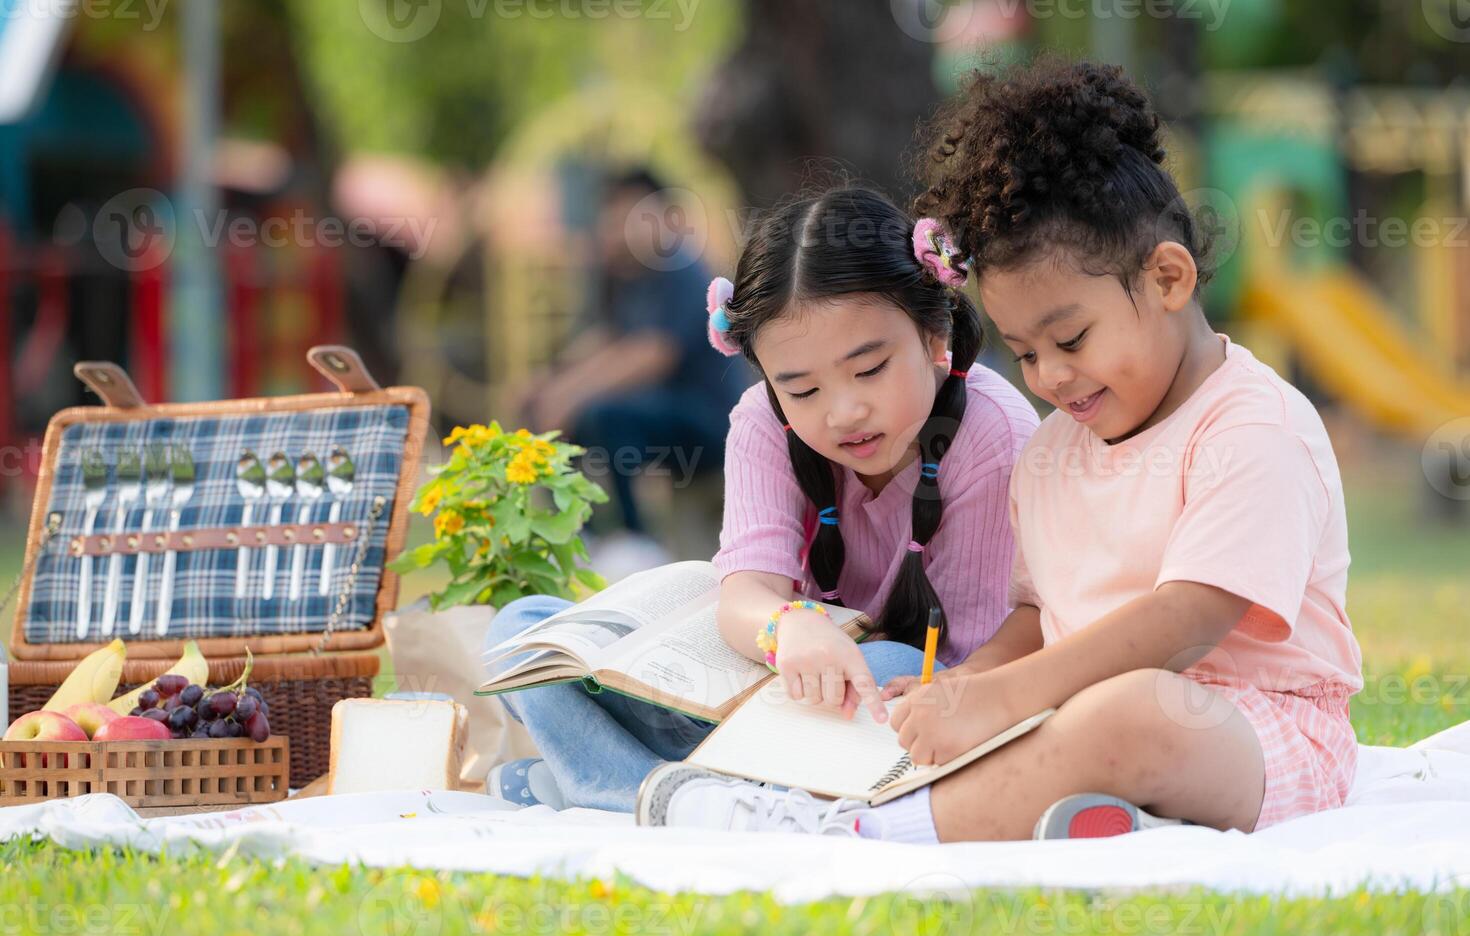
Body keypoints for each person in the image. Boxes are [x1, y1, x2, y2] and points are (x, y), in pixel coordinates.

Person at [636, 60, 1364, 842]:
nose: (1050, 376)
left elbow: (1186, 620)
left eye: (1071, 338)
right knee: (1004, 717)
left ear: (1167, 278)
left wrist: (1006, 696)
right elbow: (1034, 614)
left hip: (1254, 731)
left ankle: (848, 834)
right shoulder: (1054, 451)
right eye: (1024, 353)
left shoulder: (1253, 427)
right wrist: (967, 690)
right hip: (1072, 709)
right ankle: (1100, 820)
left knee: (1139, 711)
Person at [483, 185, 1039, 812]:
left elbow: (976, 658)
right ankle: (681, 793)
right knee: (522, 634)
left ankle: (622, 784)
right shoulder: (760, 422)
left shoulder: (991, 434)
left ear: (935, 332)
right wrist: (787, 627)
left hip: (884, 706)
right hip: (762, 689)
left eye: (869, 369)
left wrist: (860, 671)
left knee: (884, 663)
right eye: (801, 391)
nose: (844, 412)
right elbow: (747, 594)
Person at [517, 169, 747, 575]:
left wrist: (570, 394)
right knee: (557, 411)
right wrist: (551, 383)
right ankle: (574, 531)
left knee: (604, 414)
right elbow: (606, 340)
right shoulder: (629, 276)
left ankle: (635, 540)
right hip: (663, 412)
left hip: (710, 419)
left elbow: (654, 353)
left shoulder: (680, 265)